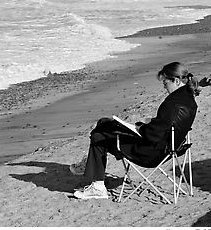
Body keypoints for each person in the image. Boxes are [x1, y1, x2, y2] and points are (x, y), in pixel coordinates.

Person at [70, 62, 199, 200]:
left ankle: (97, 184)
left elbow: (153, 134)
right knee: (104, 124)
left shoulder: (172, 103)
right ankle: (92, 167)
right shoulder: (189, 100)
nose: (164, 86)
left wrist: (140, 127)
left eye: (165, 83)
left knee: (98, 136)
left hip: (149, 153)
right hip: (168, 148)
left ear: (176, 81)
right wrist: (150, 123)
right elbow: (166, 125)